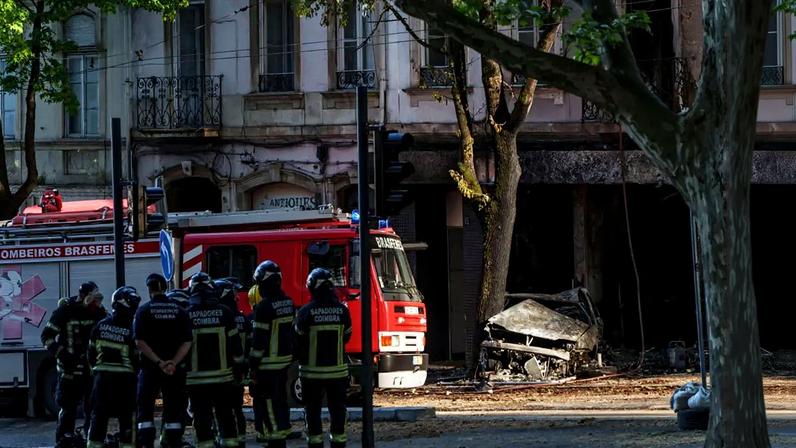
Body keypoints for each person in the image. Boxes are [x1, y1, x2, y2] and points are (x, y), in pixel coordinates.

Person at [41, 281, 107, 448]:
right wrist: (63, 355)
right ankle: (65, 438)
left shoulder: (99, 313)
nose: (96, 301)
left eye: (98, 298)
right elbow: (47, 337)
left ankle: (90, 440)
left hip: (91, 372)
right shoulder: (65, 311)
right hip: (69, 372)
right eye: (93, 297)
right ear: (84, 296)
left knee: (92, 409)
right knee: (67, 409)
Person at [294, 268, 352, 448]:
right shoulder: (342, 311)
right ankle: (339, 442)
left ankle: (315, 443)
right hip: (338, 372)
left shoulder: (305, 312)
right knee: (338, 410)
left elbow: (298, 340)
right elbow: (347, 336)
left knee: (312, 411)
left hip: (312, 374)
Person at [186, 272, 244, 448]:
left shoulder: (186, 315)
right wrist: (239, 371)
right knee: (226, 418)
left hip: (196, 381)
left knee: (202, 421)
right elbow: (237, 348)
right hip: (223, 379)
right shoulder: (225, 313)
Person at [134, 274, 192, 448]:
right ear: (165, 288)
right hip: (174, 371)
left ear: (149, 289)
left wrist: (159, 362)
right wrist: (173, 362)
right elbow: (187, 341)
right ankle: (172, 441)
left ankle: (146, 443)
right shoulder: (180, 311)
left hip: (150, 369)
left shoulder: (143, 311)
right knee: (173, 408)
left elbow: (139, 342)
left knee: (145, 409)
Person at [85, 286, 141, 448]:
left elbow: (91, 356)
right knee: (127, 423)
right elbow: (138, 359)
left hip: (101, 383)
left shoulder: (100, 326)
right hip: (126, 385)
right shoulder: (132, 329)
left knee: (98, 420)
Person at [248, 261, 295, 448]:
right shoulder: (288, 303)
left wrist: (252, 364)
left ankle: (275, 438)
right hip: (284, 361)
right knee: (281, 399)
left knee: (267, 402)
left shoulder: (264, 307)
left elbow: (259, 342)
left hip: (267, 364)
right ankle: (282, 430)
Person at [214, 278, 250, 448]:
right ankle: (240, 439)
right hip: (240, 370)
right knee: (236, 409)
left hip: (224, 371)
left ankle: (224, 438)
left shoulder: (221, 317)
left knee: (223, 410)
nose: (237, 296)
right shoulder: (243, 318)